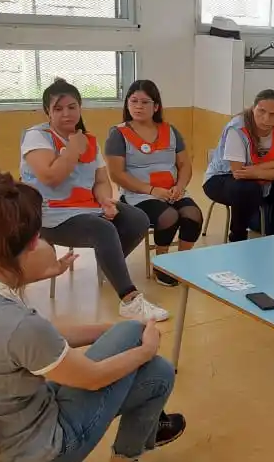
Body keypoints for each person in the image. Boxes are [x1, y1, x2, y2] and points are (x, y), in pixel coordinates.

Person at [0, 173, 186, 462]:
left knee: (156, 371)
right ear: (33, 243)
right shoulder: (16, 325)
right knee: (151, 361)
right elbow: (92, 377)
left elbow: (40, 339)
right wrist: (143, 348)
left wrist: (111, 332)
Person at [20, 78, 168, 322]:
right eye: (58, 109)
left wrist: (105, 200)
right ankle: (130, 299)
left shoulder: (87, 139)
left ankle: (111, 267)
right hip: (50, 216)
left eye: (72, 107)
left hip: (86, 208)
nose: (66, 114)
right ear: (47, 112)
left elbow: (101, 180)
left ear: (80, 108)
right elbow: (50, 178)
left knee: (137, 219)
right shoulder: (37, 137)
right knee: (103, 230)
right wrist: (71, 150)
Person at [106, 80, 201, 286]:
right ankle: (162, 264)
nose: (138, 106)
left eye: (145, 102)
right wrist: (152, 190)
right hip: (138, 194)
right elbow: (117, 175)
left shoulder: (171, 131)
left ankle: (182, 262)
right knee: (169, 216)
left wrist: (180, 186)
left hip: (172, 191)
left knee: (193, 214)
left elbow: (185, 164)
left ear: (156, 106)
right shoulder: (118, 134)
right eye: (133, 101)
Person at [203, 88, 274, 243]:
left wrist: (256, 170)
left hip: (257, 178)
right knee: (247, 189)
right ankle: (238, 238)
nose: (266, 118)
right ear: (253, 108)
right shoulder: (237, 127)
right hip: (221, 178)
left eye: (273, 114)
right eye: (261, 111)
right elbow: (238, 173)